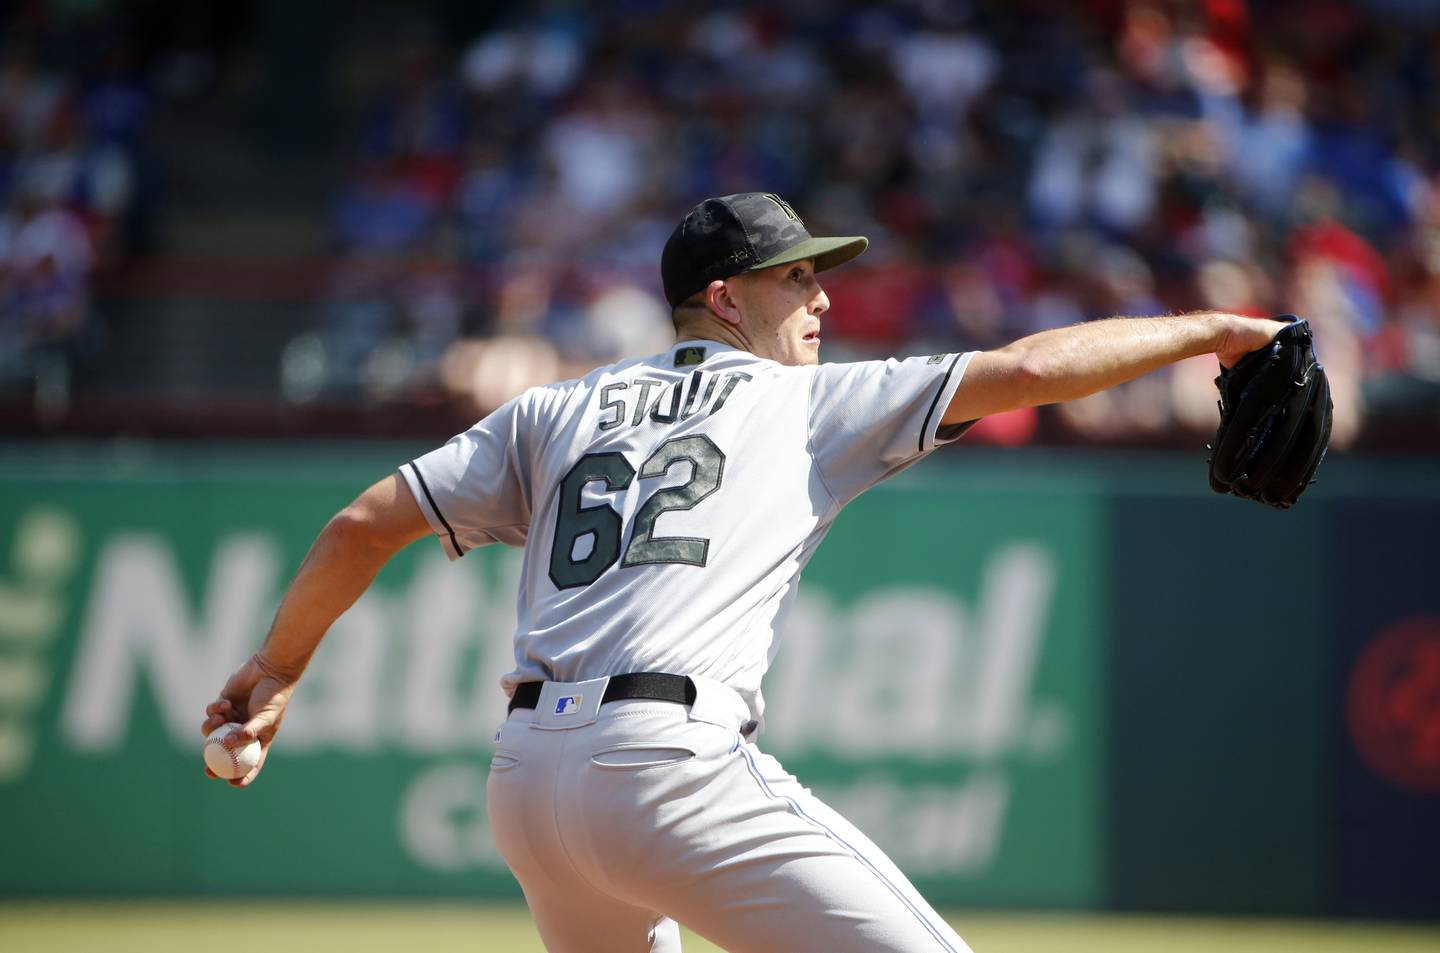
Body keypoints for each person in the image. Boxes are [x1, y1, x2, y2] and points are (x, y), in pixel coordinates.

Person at [201, 192, 1286, 952]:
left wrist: (276, 666)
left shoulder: (553, 409)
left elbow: (358, 526)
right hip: (668, 766)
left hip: (526, 781)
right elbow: (1035, 368)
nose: (823, 301)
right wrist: (1222, 331)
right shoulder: (803, 401)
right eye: (797, 278)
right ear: (727, 299)